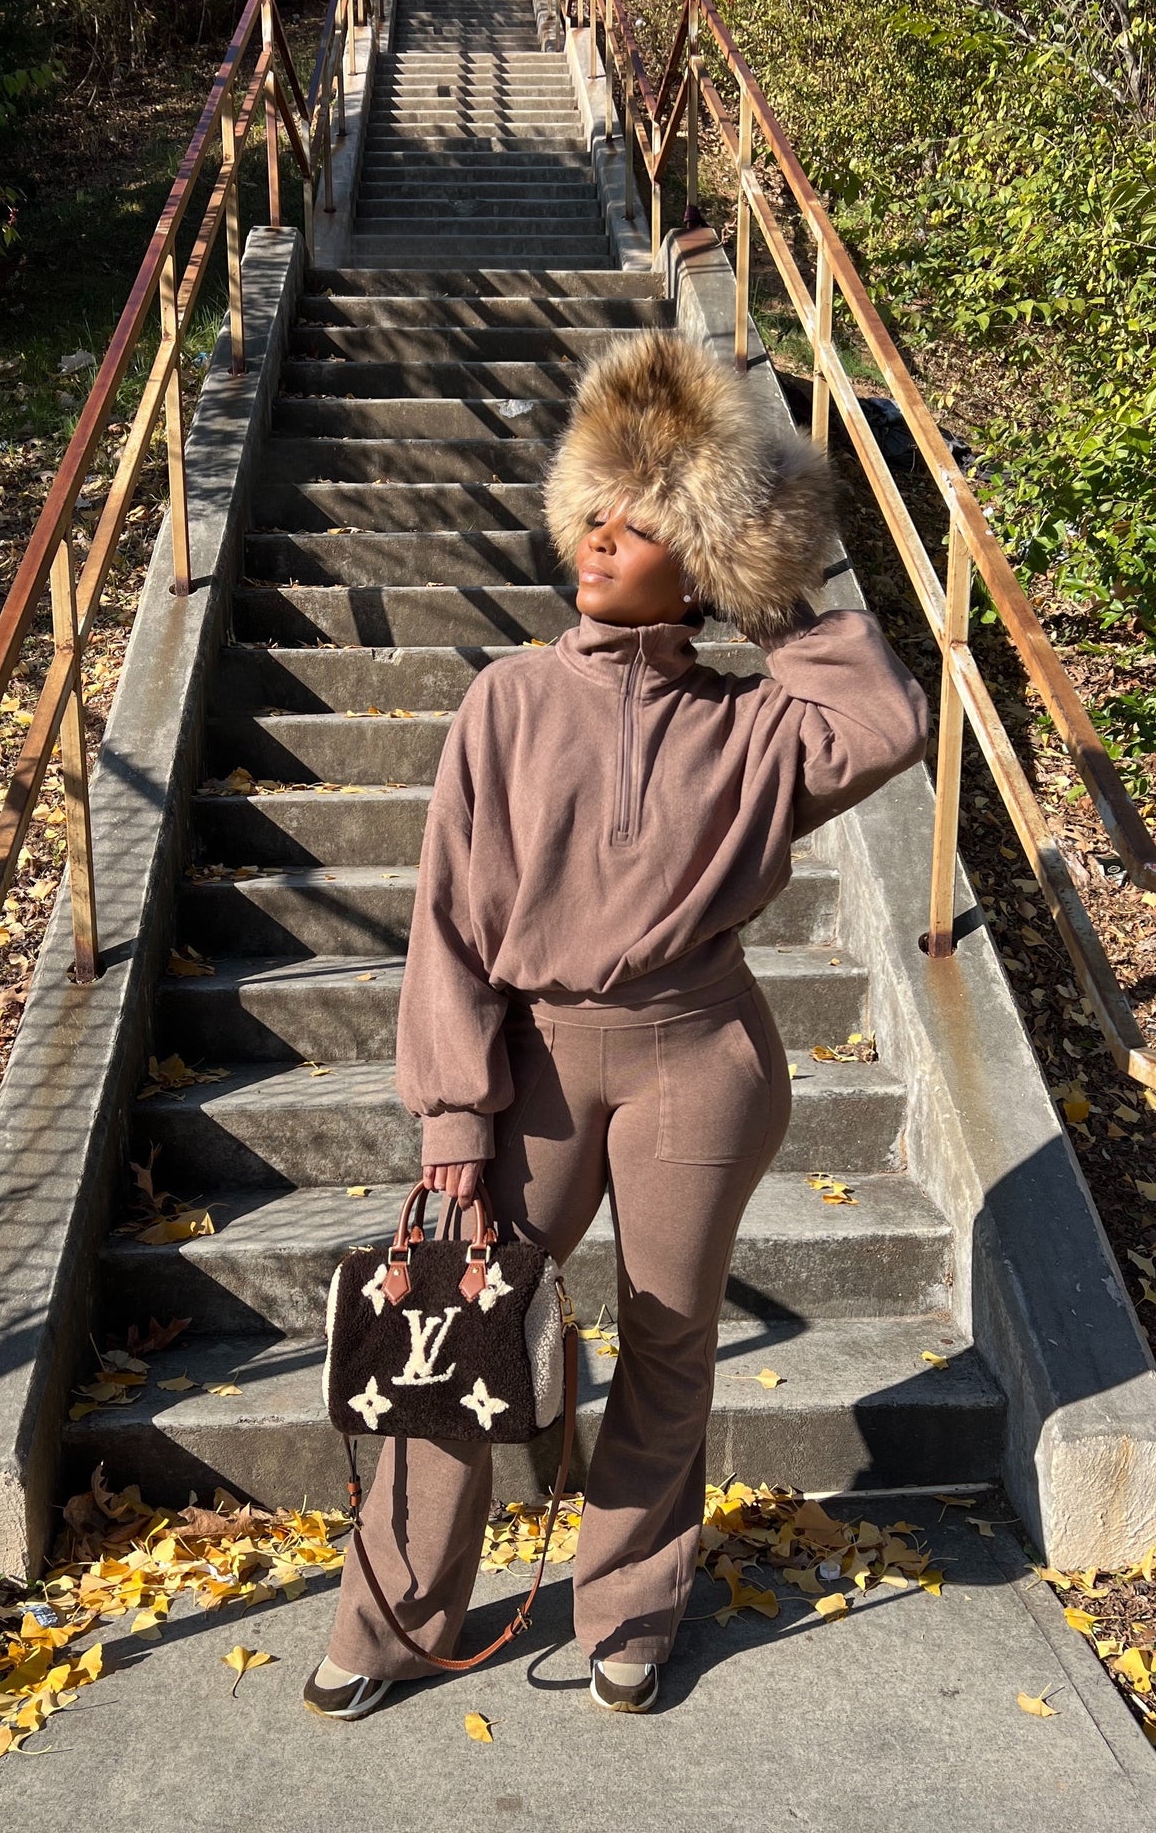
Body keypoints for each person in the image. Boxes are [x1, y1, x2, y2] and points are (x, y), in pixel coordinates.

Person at [303, 328, 929, 1722]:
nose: (602, 534)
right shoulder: (508, 701)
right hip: (531, 1058)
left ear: (699, 553)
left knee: (667, 1334)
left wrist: (764, 569)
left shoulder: (755, 730)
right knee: (449, 1326)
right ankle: (395, 1614)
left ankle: (631, 1606)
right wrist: (455, 1119)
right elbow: (450, 924)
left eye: (647, 516)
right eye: (594, 503)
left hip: (699, 1057)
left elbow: (884, 718)